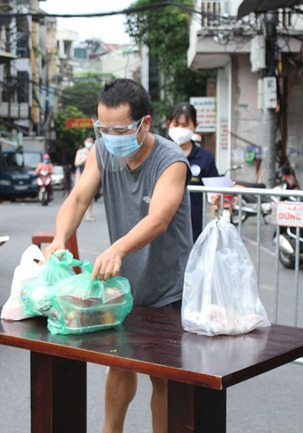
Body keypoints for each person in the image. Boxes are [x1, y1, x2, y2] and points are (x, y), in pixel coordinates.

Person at [42, 78, 193, 433]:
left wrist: (118, 247)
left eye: (118, 128)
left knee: (163, 376)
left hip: (167, 288)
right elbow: (79, 199)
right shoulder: (103, 152)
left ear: (144, 124)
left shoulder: (170, 161)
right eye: (103, 128)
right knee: (119, 364)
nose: (110, 136)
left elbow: (159, 218)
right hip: (123, 287)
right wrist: (60, 237)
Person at [166, 102, 219, 241]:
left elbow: (216, 190)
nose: (180, 129)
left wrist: (216, 197)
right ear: (168, 124)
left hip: (193, 227)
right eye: (176, 124)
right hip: (163, 224)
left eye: (185, 125)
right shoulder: (159, 154)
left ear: (195, 126)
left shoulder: (205, 158)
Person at [75, 137, 96, 221]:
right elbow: (76, 163)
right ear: (84, 142)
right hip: (80, 176)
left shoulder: (94, 151)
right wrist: (85, 160)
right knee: (78, 195)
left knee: (90, 196)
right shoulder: (80, 152)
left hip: (91, 176)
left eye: (91, 141)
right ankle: (76, 215)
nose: (89, 143)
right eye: (88, 141)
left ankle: (89, 214)